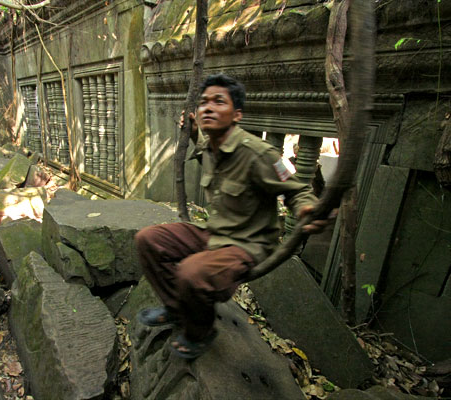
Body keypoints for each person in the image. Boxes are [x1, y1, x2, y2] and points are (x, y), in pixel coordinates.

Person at [135, 74, 329, 359]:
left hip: (245, 245)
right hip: (214, 233)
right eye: (203, 103)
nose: (207, 108)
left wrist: (306, 209)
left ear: (237, 114)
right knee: (147, 240)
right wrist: (191, 133)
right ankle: (177, 310)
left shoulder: (259, 153)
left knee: (191, 272)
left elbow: (296, 190)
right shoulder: (212, 145)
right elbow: (204, 150)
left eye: (218, 102)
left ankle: (199, 332)